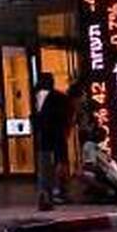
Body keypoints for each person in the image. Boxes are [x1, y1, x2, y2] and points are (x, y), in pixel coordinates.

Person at [34, 73, 70, 211]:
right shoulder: (60, 97)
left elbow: (38, 116)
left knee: (45, 163)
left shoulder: (37, 96)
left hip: (44, 134)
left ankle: (46, 192)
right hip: (58, 132)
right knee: (61, 160)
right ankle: (59, 189)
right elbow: (66, 116)